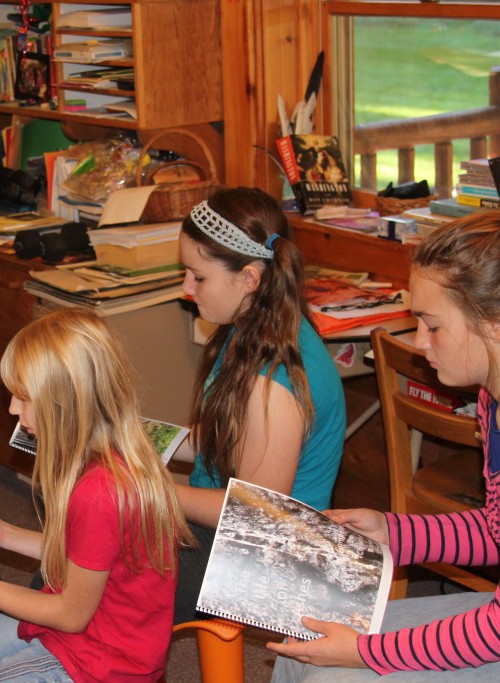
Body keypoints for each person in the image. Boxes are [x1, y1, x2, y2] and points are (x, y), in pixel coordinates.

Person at [269, 191, 500, 682]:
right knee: (306, 639)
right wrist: (393, 533)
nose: (418, 342)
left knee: (334, 674)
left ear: (496, 325)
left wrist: (366, 654)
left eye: (432, 325)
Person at [0, 308, 193, 682]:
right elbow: (87, 558)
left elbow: (70, 614)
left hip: (99, 663)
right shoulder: (112, 459)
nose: (12, 408)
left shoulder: (99, 490)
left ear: (66, 401)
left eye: (23, 396)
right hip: (87, 633)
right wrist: (4, 533)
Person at [173, 187, 347, 623]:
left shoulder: (274, 382)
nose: (186, 287)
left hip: (263, 556)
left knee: (105, 577)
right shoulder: (251, 327)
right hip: (222, 531)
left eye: (198, 276)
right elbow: (221, 439)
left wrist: (156, 494)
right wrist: (134, 438)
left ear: (250, 278)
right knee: (87, 543)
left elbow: (254, 515)